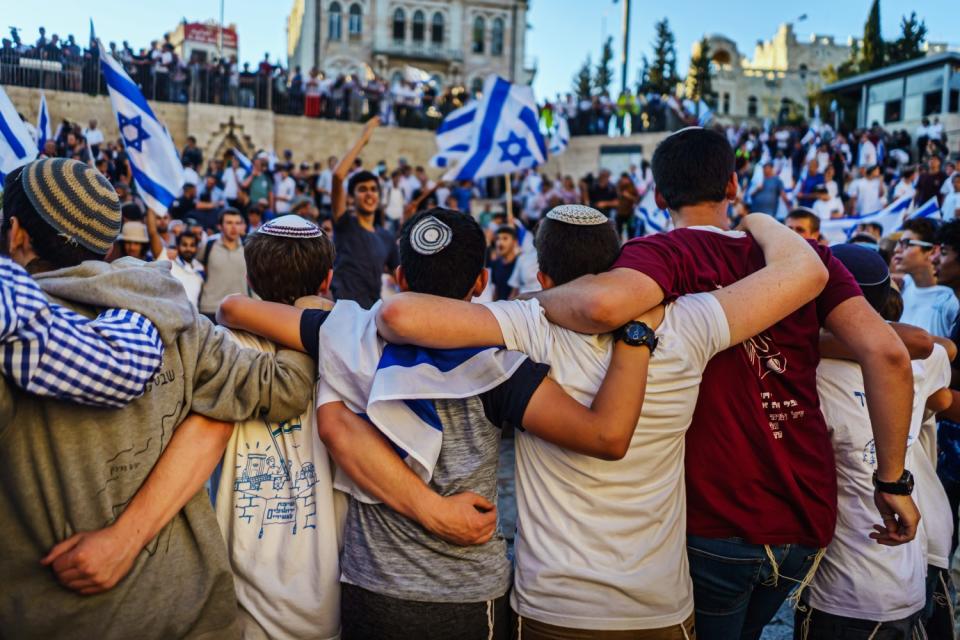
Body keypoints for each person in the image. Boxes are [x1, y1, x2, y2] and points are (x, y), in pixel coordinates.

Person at [528, 128, 918, 640]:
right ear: (733, 185)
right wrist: (892, 483)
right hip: (806, 511)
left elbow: (600, 308)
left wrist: (523, 306)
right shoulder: (808, 260)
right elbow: (888, 353)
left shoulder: (654, 255)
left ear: (659, 195)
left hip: (714, 514)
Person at [375, 205, 828, 639]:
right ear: (616, 267)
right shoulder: (688, 321)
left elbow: (398, 313)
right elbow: (806, 273)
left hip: (555, 604)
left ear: (543, 276)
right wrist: (759, 221)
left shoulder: (530, 324)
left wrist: (532, 302)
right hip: (659, 604)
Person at [217, 207, 655, 639]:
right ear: (481, 282)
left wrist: (321, 308)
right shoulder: (502, 366)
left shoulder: (352, 332)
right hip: (465, 592)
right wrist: (636, 334)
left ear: (401, 279)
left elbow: (235, 308)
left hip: (372, 586)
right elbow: (605, 435)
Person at [0, 158, 315, 638]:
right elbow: (285, 386)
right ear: (105, 242)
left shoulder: (12, 341)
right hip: (190, 616)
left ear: (17, 233)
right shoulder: (174, 316)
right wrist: (310, 310)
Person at [75, 215, 343, 639]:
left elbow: (202, 440)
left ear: (251, 275)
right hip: (334, 597)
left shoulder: (221, 350)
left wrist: (122, 541)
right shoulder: (352, 353)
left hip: (242, 595)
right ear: (327, 279)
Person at [800, 244, 953, 640]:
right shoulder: (921, 362)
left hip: (842, 588)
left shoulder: (804, 372)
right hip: (908, 567)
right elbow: (941, 358)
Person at [329, 117, 400, 309]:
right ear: (351, 198)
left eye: (373, 189)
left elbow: (402, 277)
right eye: (362, 189)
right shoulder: (345, 225)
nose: (369, 194)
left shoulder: (386, 237)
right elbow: (337, 176)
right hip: (342, 313)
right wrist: (363, 139)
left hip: (372, 317)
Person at [894, 218, 959, 338]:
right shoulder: (900, 286)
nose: (896, 249)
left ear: (932, 250)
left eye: (907, 243)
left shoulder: (951, 300)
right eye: (899, 243)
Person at [197, 208, 248, 323]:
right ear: (220, 226)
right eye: (229, 223)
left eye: (237, 223)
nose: (234, 227)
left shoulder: (248, 247)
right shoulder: (208, 245)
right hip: (210, 308)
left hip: (240, 309)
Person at [489, 225, 519, 301]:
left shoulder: (519, 264)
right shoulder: (494, 264)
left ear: (515, 242)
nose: (500, 243)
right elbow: (495, 291)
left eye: (505, 238)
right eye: (497, 239)